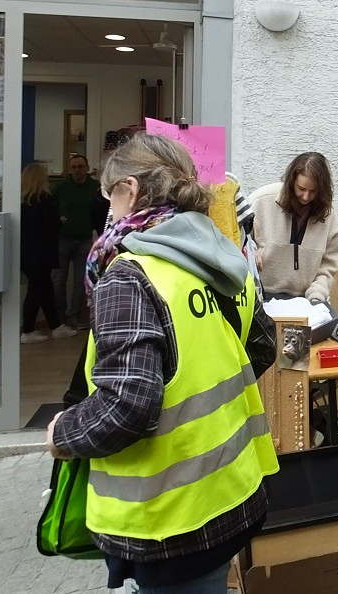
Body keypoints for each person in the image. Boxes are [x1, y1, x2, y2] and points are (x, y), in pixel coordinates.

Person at [46, 134, 278, 593]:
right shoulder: (225, 258)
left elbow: (127, 407)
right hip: (231, 495)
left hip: (166, 521)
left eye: (107, 195)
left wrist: (62, 435)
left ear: (129, 191)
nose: (106, 209)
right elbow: (262, 346)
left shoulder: (129, 276)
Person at [248, 152, 338, 301]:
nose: (306, 197)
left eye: (313, 191)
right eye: (301, 189)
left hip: (307, 300)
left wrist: (317, 295)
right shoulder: (260, 201)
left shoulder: (328, 215)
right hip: (261, 296)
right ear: (291, 182)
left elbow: (327, 267)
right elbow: (237, 239)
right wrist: (251, 250)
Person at [19, 162, 75, 342]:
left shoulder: (20, 200)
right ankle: (27, 330)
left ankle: (56, 326)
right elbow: (50, 224)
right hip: (42, 252)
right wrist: (61, 220)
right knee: (36, 291)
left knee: (45, 290)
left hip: (25, 252)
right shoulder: (44, 198)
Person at [52, 154, 100, 324]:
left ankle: (73, 316)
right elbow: (51, 209)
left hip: (85, 239)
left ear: (87, 168)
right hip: (62, 239)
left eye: (80, 166)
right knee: (58, 281)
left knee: (80, 281)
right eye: (74, 167)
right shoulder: (61, 187)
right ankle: (59, 317)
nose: (77, 170)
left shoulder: (95, 187)